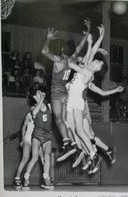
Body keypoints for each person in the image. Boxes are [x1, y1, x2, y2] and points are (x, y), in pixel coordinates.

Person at [66, 25, 124, 174]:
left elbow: (72, 63)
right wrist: (98, 39)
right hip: (72, 101)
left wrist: (77, 56)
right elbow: (101, 93)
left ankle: (91, 155)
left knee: (80, 132)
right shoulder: (88, 74)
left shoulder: (86, 72)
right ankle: (95, 153)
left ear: (97, 69)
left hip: (78, 102)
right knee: (81, 132)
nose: (94, 61)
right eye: (96, 61)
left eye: (97, 63)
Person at [41, 20, 91, 162]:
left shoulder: (58, 60)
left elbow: (44, 51)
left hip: (57, 93)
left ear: (62, 50)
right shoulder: (70, 61)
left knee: (58, 120)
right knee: (63, 121)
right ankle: (73, 144)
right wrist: (87, 32)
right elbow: (80, 47)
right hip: (65, 94)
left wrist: (48, 38)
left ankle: (68, 144)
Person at [22, 89, 54, 190]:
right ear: (35, 97)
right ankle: (26, 179)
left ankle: (46, 178)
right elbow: (35, 112)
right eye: (38, 93)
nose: (41, 93)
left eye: (41, 92)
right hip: (37, 134)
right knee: (35, 157)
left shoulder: (49, 106)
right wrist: (41, 99)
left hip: (48, 134)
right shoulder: (33, 108)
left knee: (47, 156)